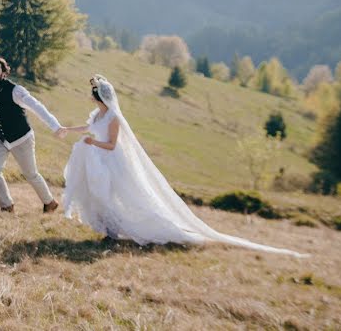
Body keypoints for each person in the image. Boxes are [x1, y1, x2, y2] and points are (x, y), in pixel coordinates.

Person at [61, 74, 306, 257]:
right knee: (102, 197)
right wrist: (67, 130)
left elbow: (112, 145)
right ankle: (110, 231)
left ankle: (122, 233)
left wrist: (93, 142)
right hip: (98, 163)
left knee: (123, 197)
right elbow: (88, 128)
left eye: (93, 94)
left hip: (112, 163)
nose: (90, 97)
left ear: (101, 97)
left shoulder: (114, 119)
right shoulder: (97, 115)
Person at [0, 56, 67, 213]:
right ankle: (7, 206)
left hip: (22, 139)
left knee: (31, 174)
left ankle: (49, 202)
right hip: (2, 139)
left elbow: (37, 107)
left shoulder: (16, 91)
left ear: (4, 73)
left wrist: (55, 126)